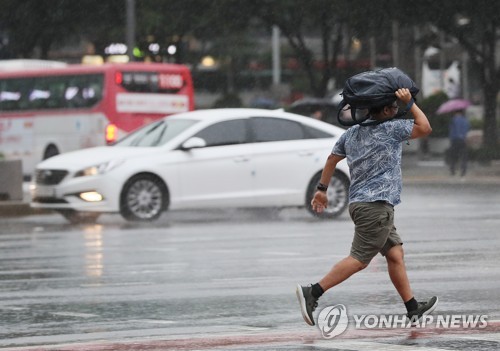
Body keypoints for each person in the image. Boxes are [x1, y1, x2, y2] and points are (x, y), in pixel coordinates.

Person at [296, 88, 438, 327]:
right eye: (393, 107)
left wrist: (321, 189)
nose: (396, 110)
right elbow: (425, 127)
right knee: (360, 260)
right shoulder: (392, 129)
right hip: (376, 208)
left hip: (360, 204)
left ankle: (413, 308)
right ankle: (313, 292)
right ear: (384, 110)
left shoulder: (352, 133)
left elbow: (332, 159)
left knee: (395, 254)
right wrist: (410, 102)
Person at [448, 110, 470, 177]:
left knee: (453, 156)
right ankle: (463, 171)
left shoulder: (453, 120)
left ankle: (453, 170)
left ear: (456, 113)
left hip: (454, 140)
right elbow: (467, 129)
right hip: (462, 140)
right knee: (463, 156)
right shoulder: (465, 120)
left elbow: (451, 130)